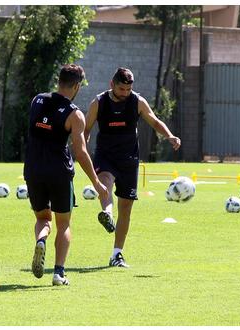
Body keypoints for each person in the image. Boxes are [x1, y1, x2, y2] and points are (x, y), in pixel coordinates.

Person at [84, 67, 181, 268]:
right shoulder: (99, 103)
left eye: (128, 90)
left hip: (129, 159)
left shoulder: (137, 101)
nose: (125, 93)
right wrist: (81, 147)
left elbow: (154, 121)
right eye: (121, 89)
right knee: (105, 183)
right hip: (106, 155)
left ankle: (116, 254)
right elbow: (85, 130)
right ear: (112, 84)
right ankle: (107, 214)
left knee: (126, 207)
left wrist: (169, 135)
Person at [24, 64, 108, 286]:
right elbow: (80, 153)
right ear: (77, 86)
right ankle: (58, 273)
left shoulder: (37, 100)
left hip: (33, 170)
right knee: (63, 224)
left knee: (43, 218)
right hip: (59, 173)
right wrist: (97, 182)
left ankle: (41, 240)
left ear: (58, 80)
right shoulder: (75, 114)